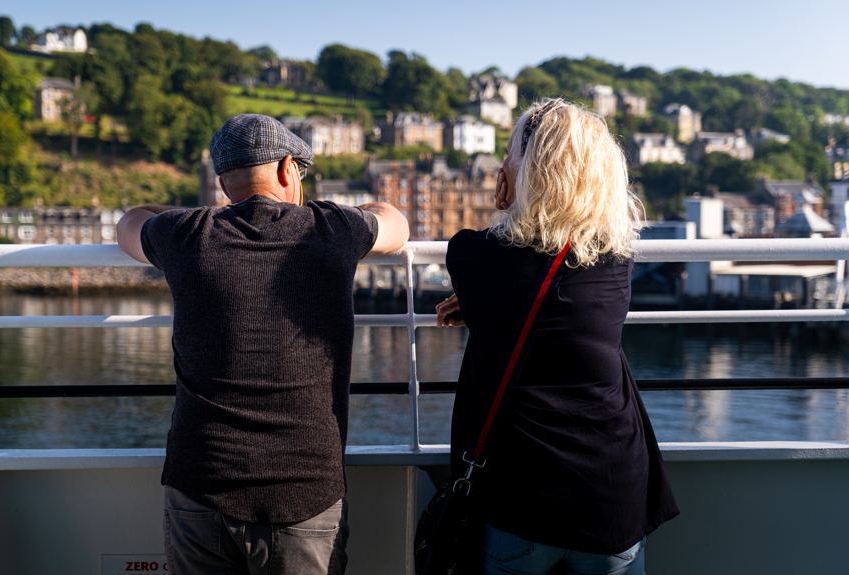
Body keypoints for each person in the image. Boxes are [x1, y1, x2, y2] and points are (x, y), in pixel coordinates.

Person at [117, 114, 409, 575]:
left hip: (201, 482)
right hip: (304, 491)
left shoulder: (187, 234)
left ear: (222, 185)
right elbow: (394, 221)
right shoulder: (332, 230)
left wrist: (182, 214)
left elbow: (131, 222)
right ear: (289, 170)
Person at [435, 99, 679, 575]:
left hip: (520, 498)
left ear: (522, 172)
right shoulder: (616, 261)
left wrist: (482, 305)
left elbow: (507, 269)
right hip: (612, 496)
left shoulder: (469, 256)